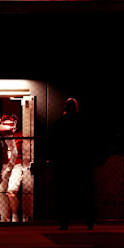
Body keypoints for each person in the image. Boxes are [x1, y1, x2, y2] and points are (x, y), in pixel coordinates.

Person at [48, 98, 96, 230]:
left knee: (63, 196)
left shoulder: (59, 123)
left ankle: (64, 223)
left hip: (64, 164)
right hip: (81, 164)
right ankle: (89, 221)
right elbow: (89, 143)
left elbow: (53, 144)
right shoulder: (83, 123)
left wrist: (52, 159)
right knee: (85, 194)